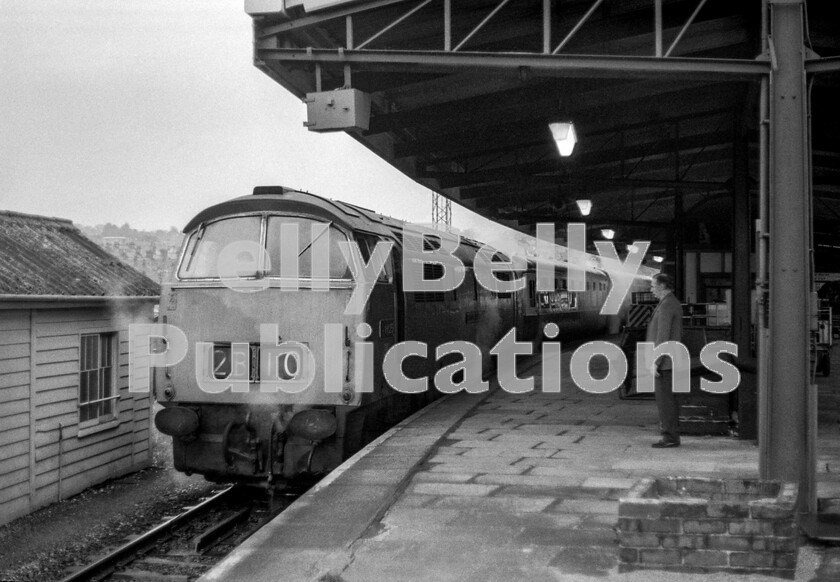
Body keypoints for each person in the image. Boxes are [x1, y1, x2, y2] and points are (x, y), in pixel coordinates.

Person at [646, 273, 683, 448]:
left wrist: (656, 361)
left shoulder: (668, 305)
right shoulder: (668, 302)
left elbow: (663, 335)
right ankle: (671, 435)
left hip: (666, 362)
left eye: (653, 286)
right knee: (667, 400)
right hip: (668, 360)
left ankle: (670, 437)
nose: (651, 289)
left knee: (665, 401)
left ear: (662, 286)